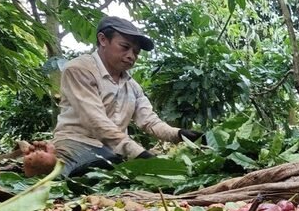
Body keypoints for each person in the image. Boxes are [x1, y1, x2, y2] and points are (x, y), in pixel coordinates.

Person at [52, 15, 203, 177]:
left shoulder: (132, 87)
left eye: (136, 52)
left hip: (112, 152)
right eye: (125, 47)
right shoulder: (79, 70)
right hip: (77, 144)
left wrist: (180, 134)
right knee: (73, 174)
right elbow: (96, 121)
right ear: (103, 40)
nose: (131, 56)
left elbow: (149, 121)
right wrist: (139, 153)